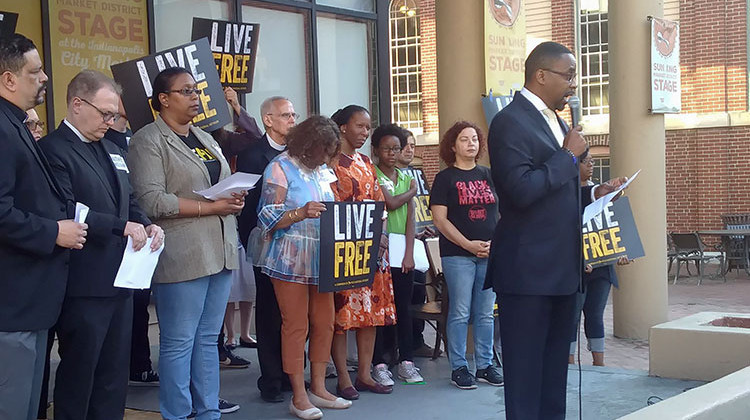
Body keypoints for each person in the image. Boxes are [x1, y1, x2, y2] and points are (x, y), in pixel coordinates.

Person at [485, 41, 621, 419]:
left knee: (553, 377)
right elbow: (521, 190)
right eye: (568, 76)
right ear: (540, 75)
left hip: (563, 270)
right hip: (528, 272)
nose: (573, 85)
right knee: (526, 377)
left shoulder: (558, 123)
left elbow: (556, 192)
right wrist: (566, 157)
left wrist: (594, 191)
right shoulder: (509, 121)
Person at [38, 69, 164, 420]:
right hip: (84, 283)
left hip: (122, 280)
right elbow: (67, 209)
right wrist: (121, 226)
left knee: (112, 376)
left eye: (114, 115)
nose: (111, 121)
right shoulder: (51, 150)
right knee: (81, 374)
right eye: (105, 113)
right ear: (77, 104)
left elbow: (130, 198)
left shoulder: (112, 148)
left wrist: (147, 223)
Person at [128, 67, 244, 420]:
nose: (196, 97)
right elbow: (151, 201)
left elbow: (220, 180)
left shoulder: (206, 137)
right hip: (183, 254)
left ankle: (208, 409)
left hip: (220, 250)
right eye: (186, 91)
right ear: (163, 99)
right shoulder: (148, 140)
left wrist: (234, 197)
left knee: (208, 339)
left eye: (196, 91)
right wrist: (211, 207)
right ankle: (178, 413)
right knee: (179, 342)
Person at [0, 33, 87, 420]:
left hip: (30, 301)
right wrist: (54, 232)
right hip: (12, 303)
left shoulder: (14, 124)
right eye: (35, 71)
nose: (45, 78)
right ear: (8, 79)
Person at [257, 115, 352, 419]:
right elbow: (267, 216)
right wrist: (300, 212)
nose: (326, 157)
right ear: (309, 145)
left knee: (324, 322)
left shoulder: (321, 171)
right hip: (288, 257)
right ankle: (298, 395)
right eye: (323, 150)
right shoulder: (279, 167)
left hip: (321, 257)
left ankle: (320, 388)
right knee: (296, 325)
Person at [330, 105, 397, 400]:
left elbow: (379, 202)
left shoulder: (366, 162)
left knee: (369, 314)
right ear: (343, 127)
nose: (365, 132)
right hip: (343, 248)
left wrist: (381, 235)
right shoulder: (330, 163)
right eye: (360, 126)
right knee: (342, 316)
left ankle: (365, 373)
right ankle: (343, 376)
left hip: (372, 247)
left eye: (368, 128)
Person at [429, 121, 503, 390]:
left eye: (474, 139)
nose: (471, 143)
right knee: (460, 311)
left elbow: (502, 213)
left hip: (490, 252)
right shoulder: (445, 178)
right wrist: (468, 245)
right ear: (453, 145)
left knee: (485, 313)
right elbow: (440, 220)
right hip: (457, 255)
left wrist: (495, 243)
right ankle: (459, 367)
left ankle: (485, 366)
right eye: (464, 139)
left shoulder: (488, 175)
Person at [239, 95, 298, 402]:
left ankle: (292, 374)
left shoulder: (300, 155)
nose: (292, 120)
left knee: (293, 315)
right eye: (286, 115)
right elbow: (248, 207)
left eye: (293, 114)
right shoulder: (252, 155)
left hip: (299, 247)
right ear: (268, 120)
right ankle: (271, 379)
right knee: (269, 312)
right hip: (266, 244)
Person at [371, 123, 424, 384]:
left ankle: (407, 361)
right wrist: (412, 192)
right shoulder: (373, 174)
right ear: (377, 150)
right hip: (380, 249)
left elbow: (410, 217)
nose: (392, 153)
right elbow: (390, 204)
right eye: (387, 149)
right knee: (380, 309)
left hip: (402, 247)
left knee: (403, 307)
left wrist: (410, 252)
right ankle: (380, 362)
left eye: (396, 148)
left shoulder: (404, 176)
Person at [569, 149, 629, 367]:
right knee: (572, 317)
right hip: (576, 267)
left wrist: (621, 250)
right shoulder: (567, 195)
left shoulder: (601, 194)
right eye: (586, 161)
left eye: (593, 161)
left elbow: (612, 224)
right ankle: (570, 363)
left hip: (602, 267)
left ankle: (599, 364)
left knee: (595, 315)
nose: (591, 165)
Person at [395, 130, 439, 358]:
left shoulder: (417, 174)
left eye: (413, 145)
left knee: (419, 292)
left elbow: (425, 207)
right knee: (401, 298)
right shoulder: (390, 176)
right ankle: (398, 347)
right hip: (397, 246)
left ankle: (417, 340)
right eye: (405, 145)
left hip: (419, 244)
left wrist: (430, 227)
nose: (410, 149)